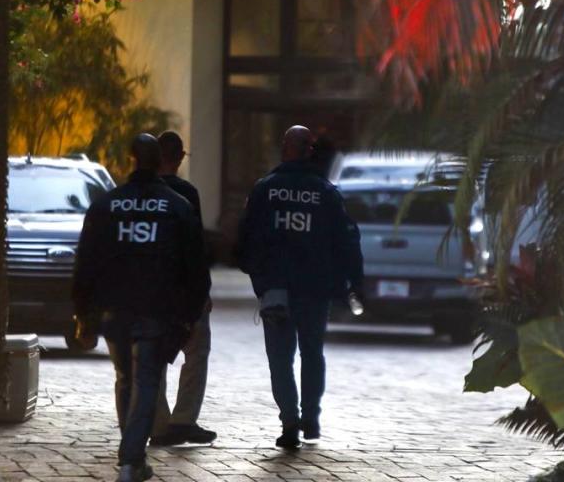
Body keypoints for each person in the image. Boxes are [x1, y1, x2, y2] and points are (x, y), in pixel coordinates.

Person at [72, 133, 209, 482]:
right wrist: (188, 315)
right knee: (146, 380)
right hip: (155, 308)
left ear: (131, 158)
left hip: (115, 309)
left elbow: (86, 263)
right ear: (161, 158)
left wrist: (83, 313)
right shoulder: (177, 206)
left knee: (125, 379)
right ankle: (132, 459)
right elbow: (196, 269)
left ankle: (131, 452)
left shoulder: (106, 206)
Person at [236, 125, 364, 448]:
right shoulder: (326, 193)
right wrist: (353, 283)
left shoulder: (265, 189)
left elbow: (245, 241)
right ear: (310, 151)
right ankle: (311, 416)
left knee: (280, 358)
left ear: (284, 147)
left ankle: (289, 421)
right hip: (314, 290)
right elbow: (348, 240)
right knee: (312, 354)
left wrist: (260, 281)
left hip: (275, 289)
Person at [148, 130, 217, 446]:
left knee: (155, 354)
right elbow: (196, 247)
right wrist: (203, 292)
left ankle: (159, 423)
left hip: (153, 289)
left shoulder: (141, 193)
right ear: (178, 159)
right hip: (184, 289)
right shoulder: (187, 194)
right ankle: (184, 419)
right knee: (196, 352)